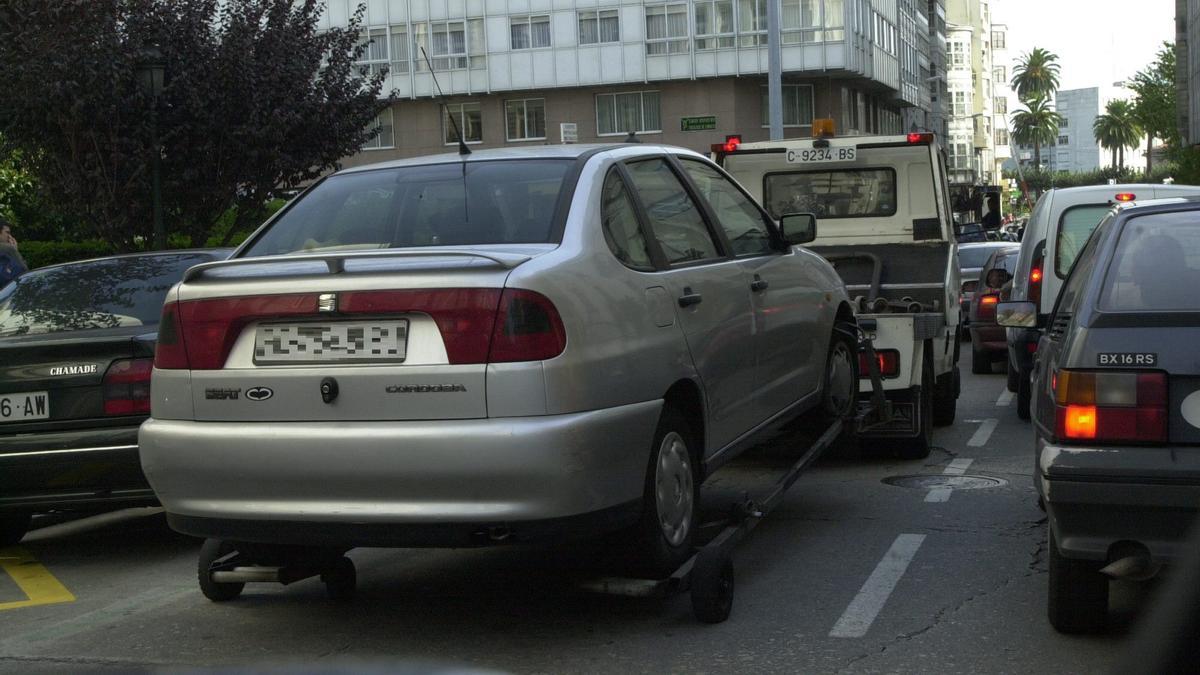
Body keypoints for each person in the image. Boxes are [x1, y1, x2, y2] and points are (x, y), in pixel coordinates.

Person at [0, 219, 27, 286]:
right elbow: (25, 273)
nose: (10, 237)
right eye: (7, 233)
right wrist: (15, 251)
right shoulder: (7, 249)